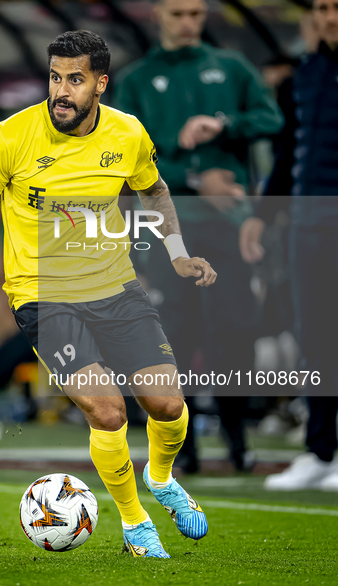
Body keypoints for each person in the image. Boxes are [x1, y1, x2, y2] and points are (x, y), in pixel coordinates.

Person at [0, 30, 217, 558]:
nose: (60, 91)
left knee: (169, 405)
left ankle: (161, 479)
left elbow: (153, 188)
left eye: (74, 79)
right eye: (53, 77)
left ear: (100, 84)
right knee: (108, 412)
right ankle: (135, 525)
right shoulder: (13, 136)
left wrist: (177, 253)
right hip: (43, 298)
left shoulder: (127, 133)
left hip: (115, 288)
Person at [114, 0, 284, 473]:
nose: (187, 23)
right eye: (177, 14)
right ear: (157, 15)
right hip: (169, 228)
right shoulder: (136, 81)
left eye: (194, 13)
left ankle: (236, 435)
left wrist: (225, 124)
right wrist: (193, 177)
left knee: (235, 328)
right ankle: (179, 443)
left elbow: (273, 120)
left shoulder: (231, 67)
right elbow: (122, 157)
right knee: (176, 333)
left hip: (230, 227)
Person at [240, 0, 338, 492]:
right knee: (314, 335)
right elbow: (287, 153)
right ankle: (320, 451)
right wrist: (262, 216)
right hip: (306, 223)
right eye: (322, 7)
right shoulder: (306, 75)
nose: (329, 17)